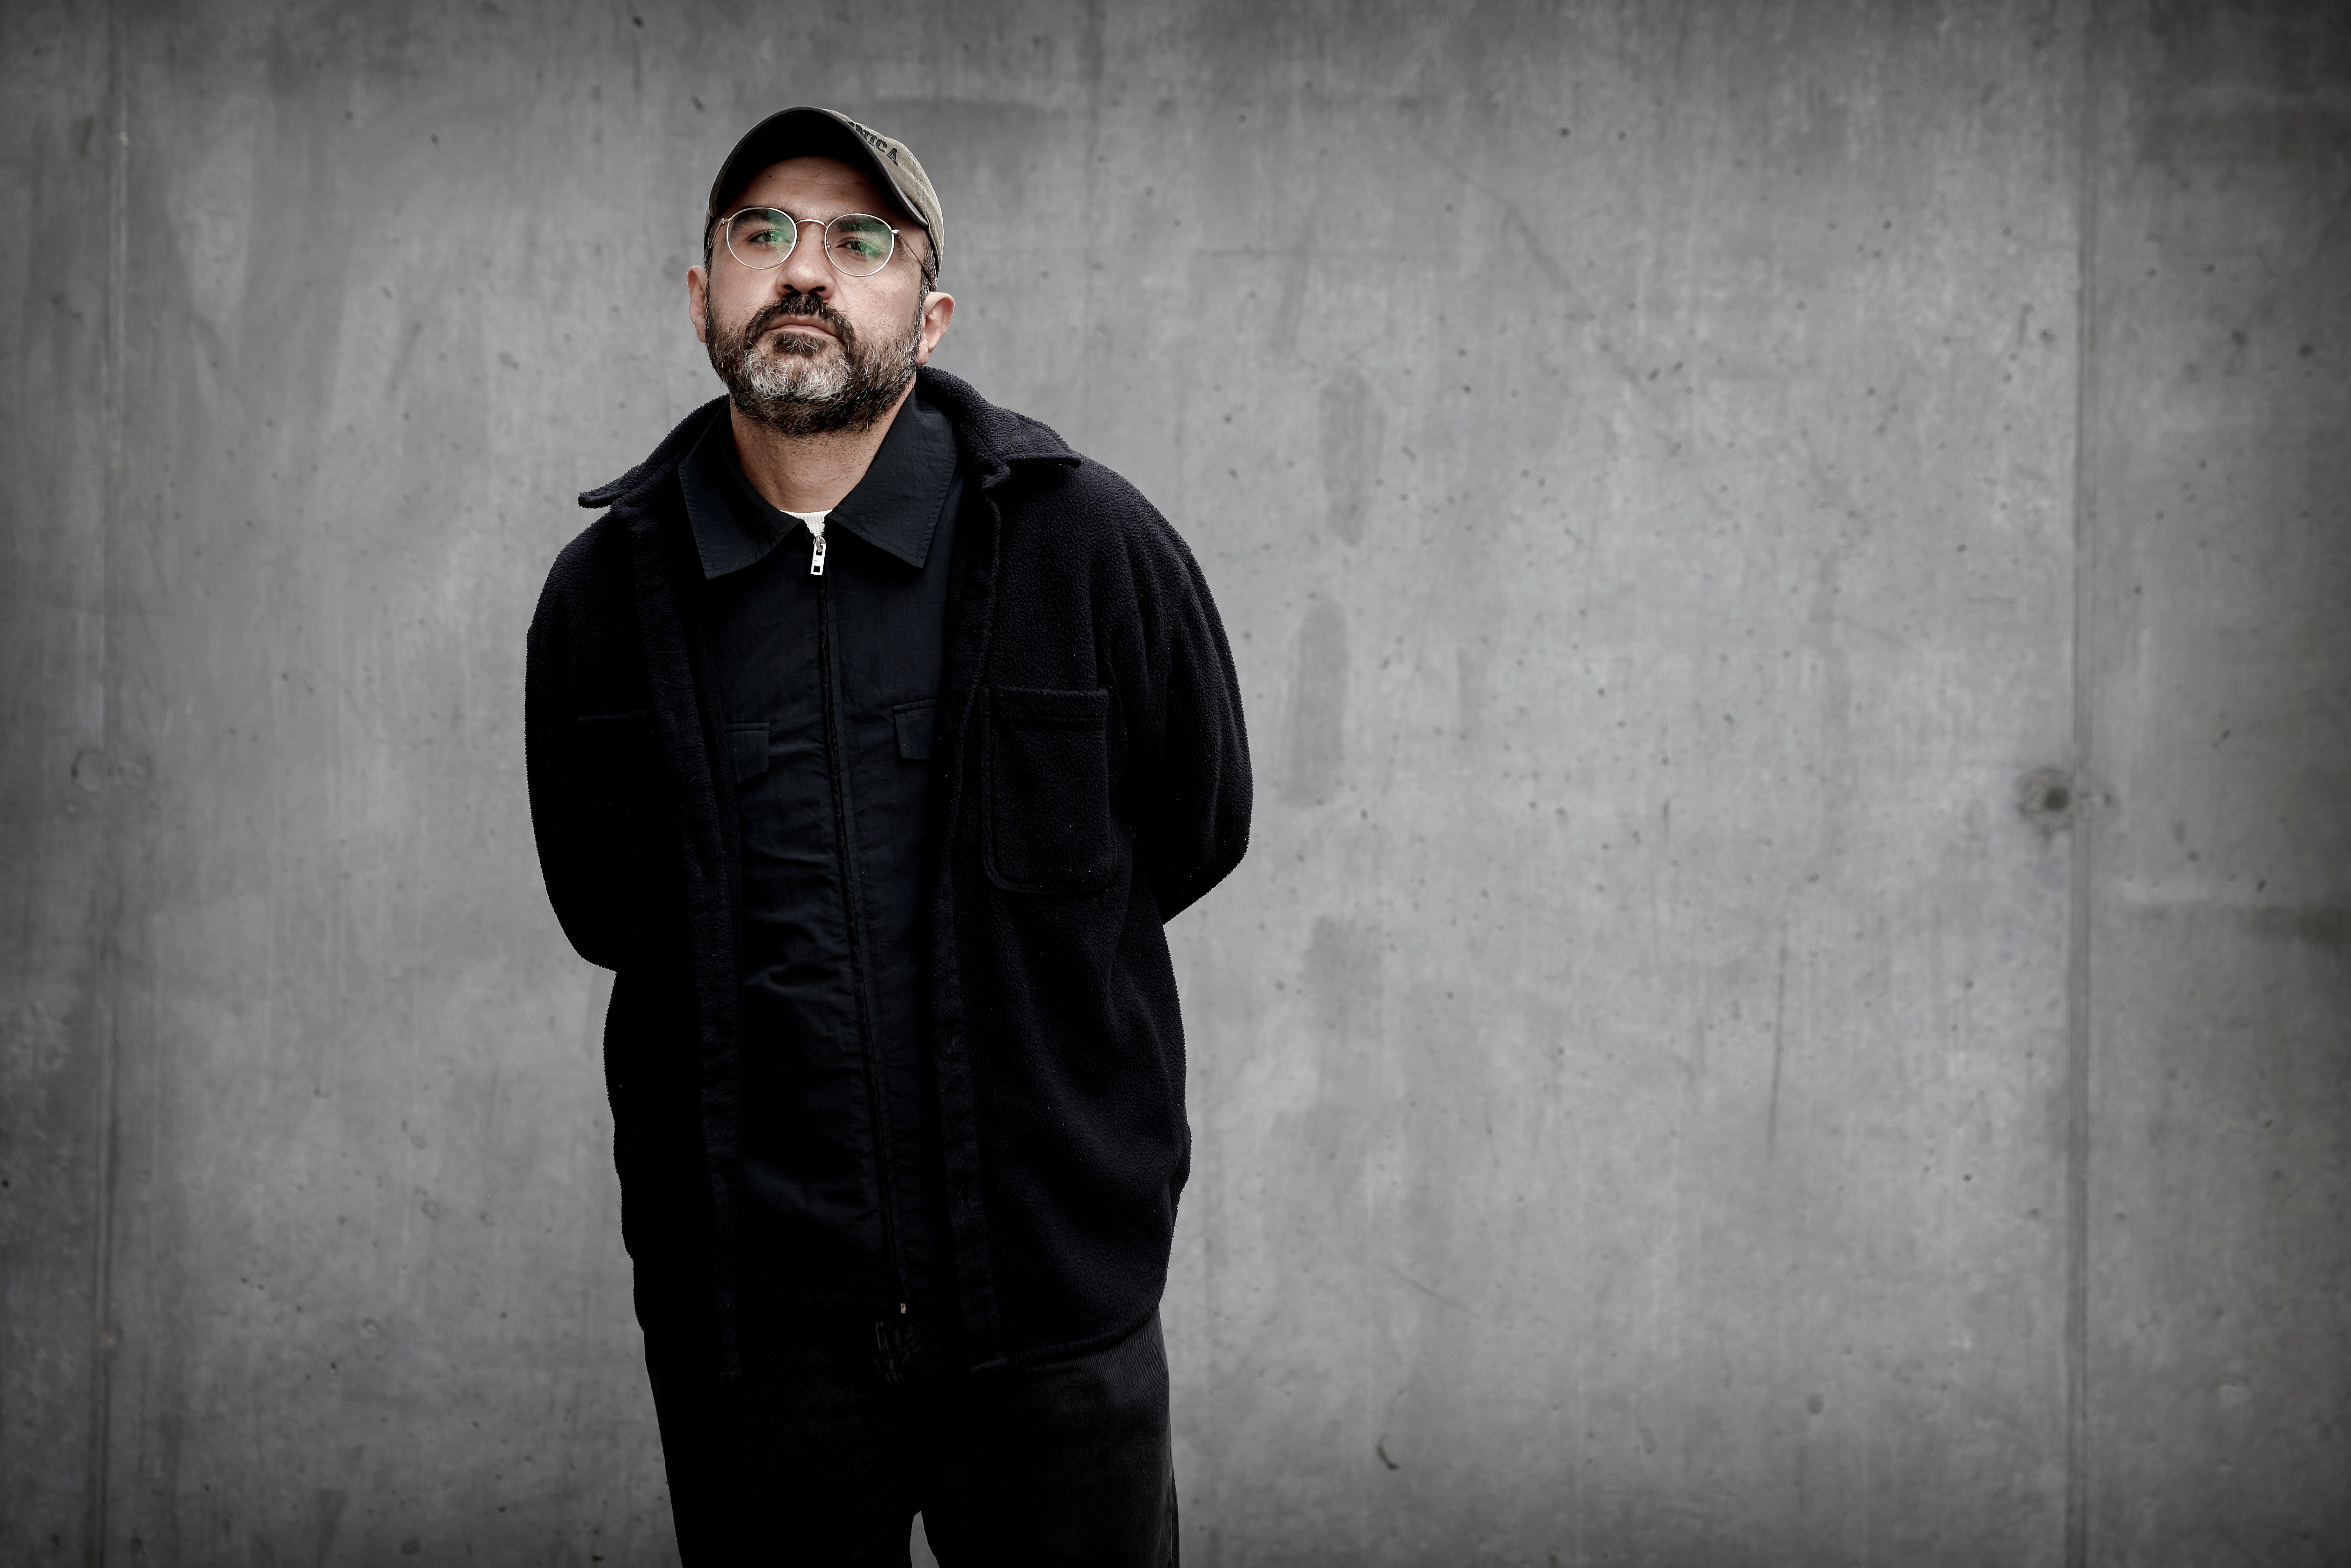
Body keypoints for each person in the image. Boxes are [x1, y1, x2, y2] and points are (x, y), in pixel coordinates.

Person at [524, 106, 1251, 1565]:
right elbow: (606, 910)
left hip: (1049, 1314)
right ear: (702, 295)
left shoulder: (1082, 547)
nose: (805, 270)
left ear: (929, 315)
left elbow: (1200, 823)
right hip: (755, 1338)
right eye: (763, 234)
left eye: (861, 241)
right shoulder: (608, 597)